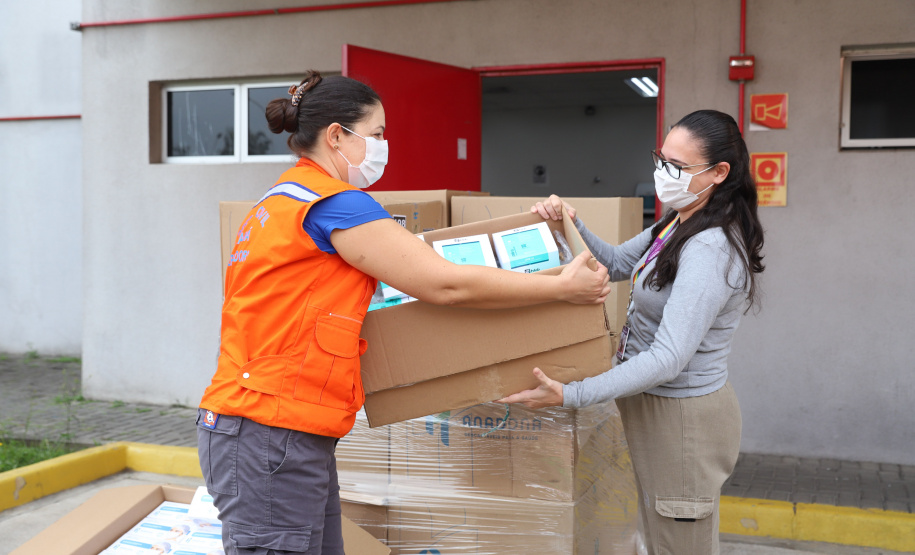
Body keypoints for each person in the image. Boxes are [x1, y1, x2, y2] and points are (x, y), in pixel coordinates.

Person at [195, 70, 611, 555]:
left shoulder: (279, 202)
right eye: (376, 135)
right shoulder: (335, 205)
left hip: (272, 428)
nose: (382, 146)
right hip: (271, 432)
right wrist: (558, 287)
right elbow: (444, 282)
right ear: (336, 136)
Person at [499, 109, 765, 555]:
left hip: (683, 422)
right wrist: (567, 222)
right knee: (658, 536)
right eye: (661, 159)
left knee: (679, 543)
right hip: (656, 408)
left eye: (677, 168)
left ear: (719, 173)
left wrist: (573, 393)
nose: (663, 173)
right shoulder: (678, 222)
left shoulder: (710, 247)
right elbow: (617, 263)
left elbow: (668, 358)